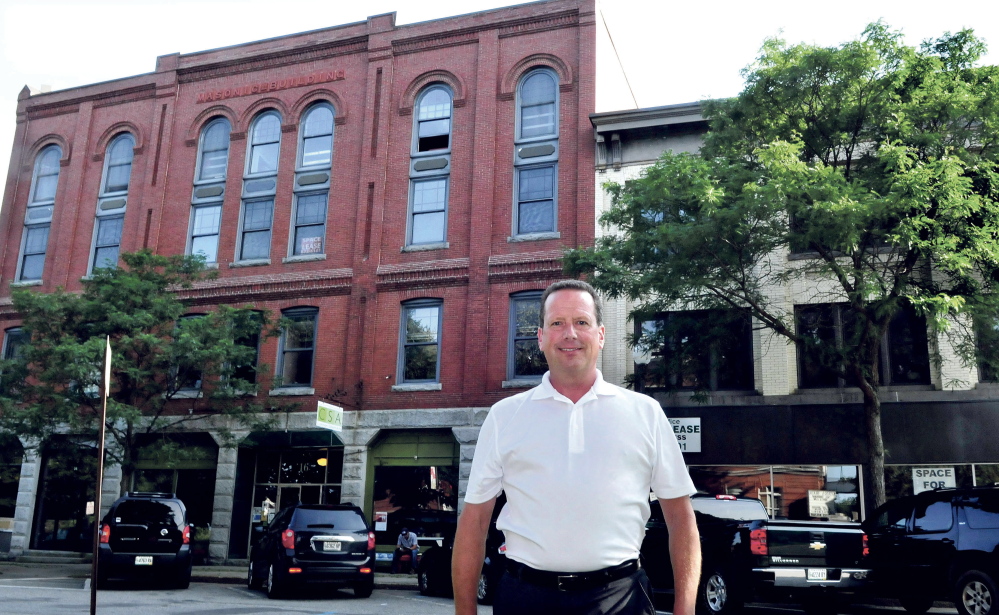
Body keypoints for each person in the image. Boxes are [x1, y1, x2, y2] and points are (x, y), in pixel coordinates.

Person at [451, 280, 701, 615]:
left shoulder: (645, 413)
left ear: (600, 335)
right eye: (557, 323)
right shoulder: (504, 416)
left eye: (581, 322)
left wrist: (686, 610)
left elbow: (681, 520)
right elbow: (474, 522)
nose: (570, 334)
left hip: (621, 600)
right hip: (524, 599)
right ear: (540, 337)